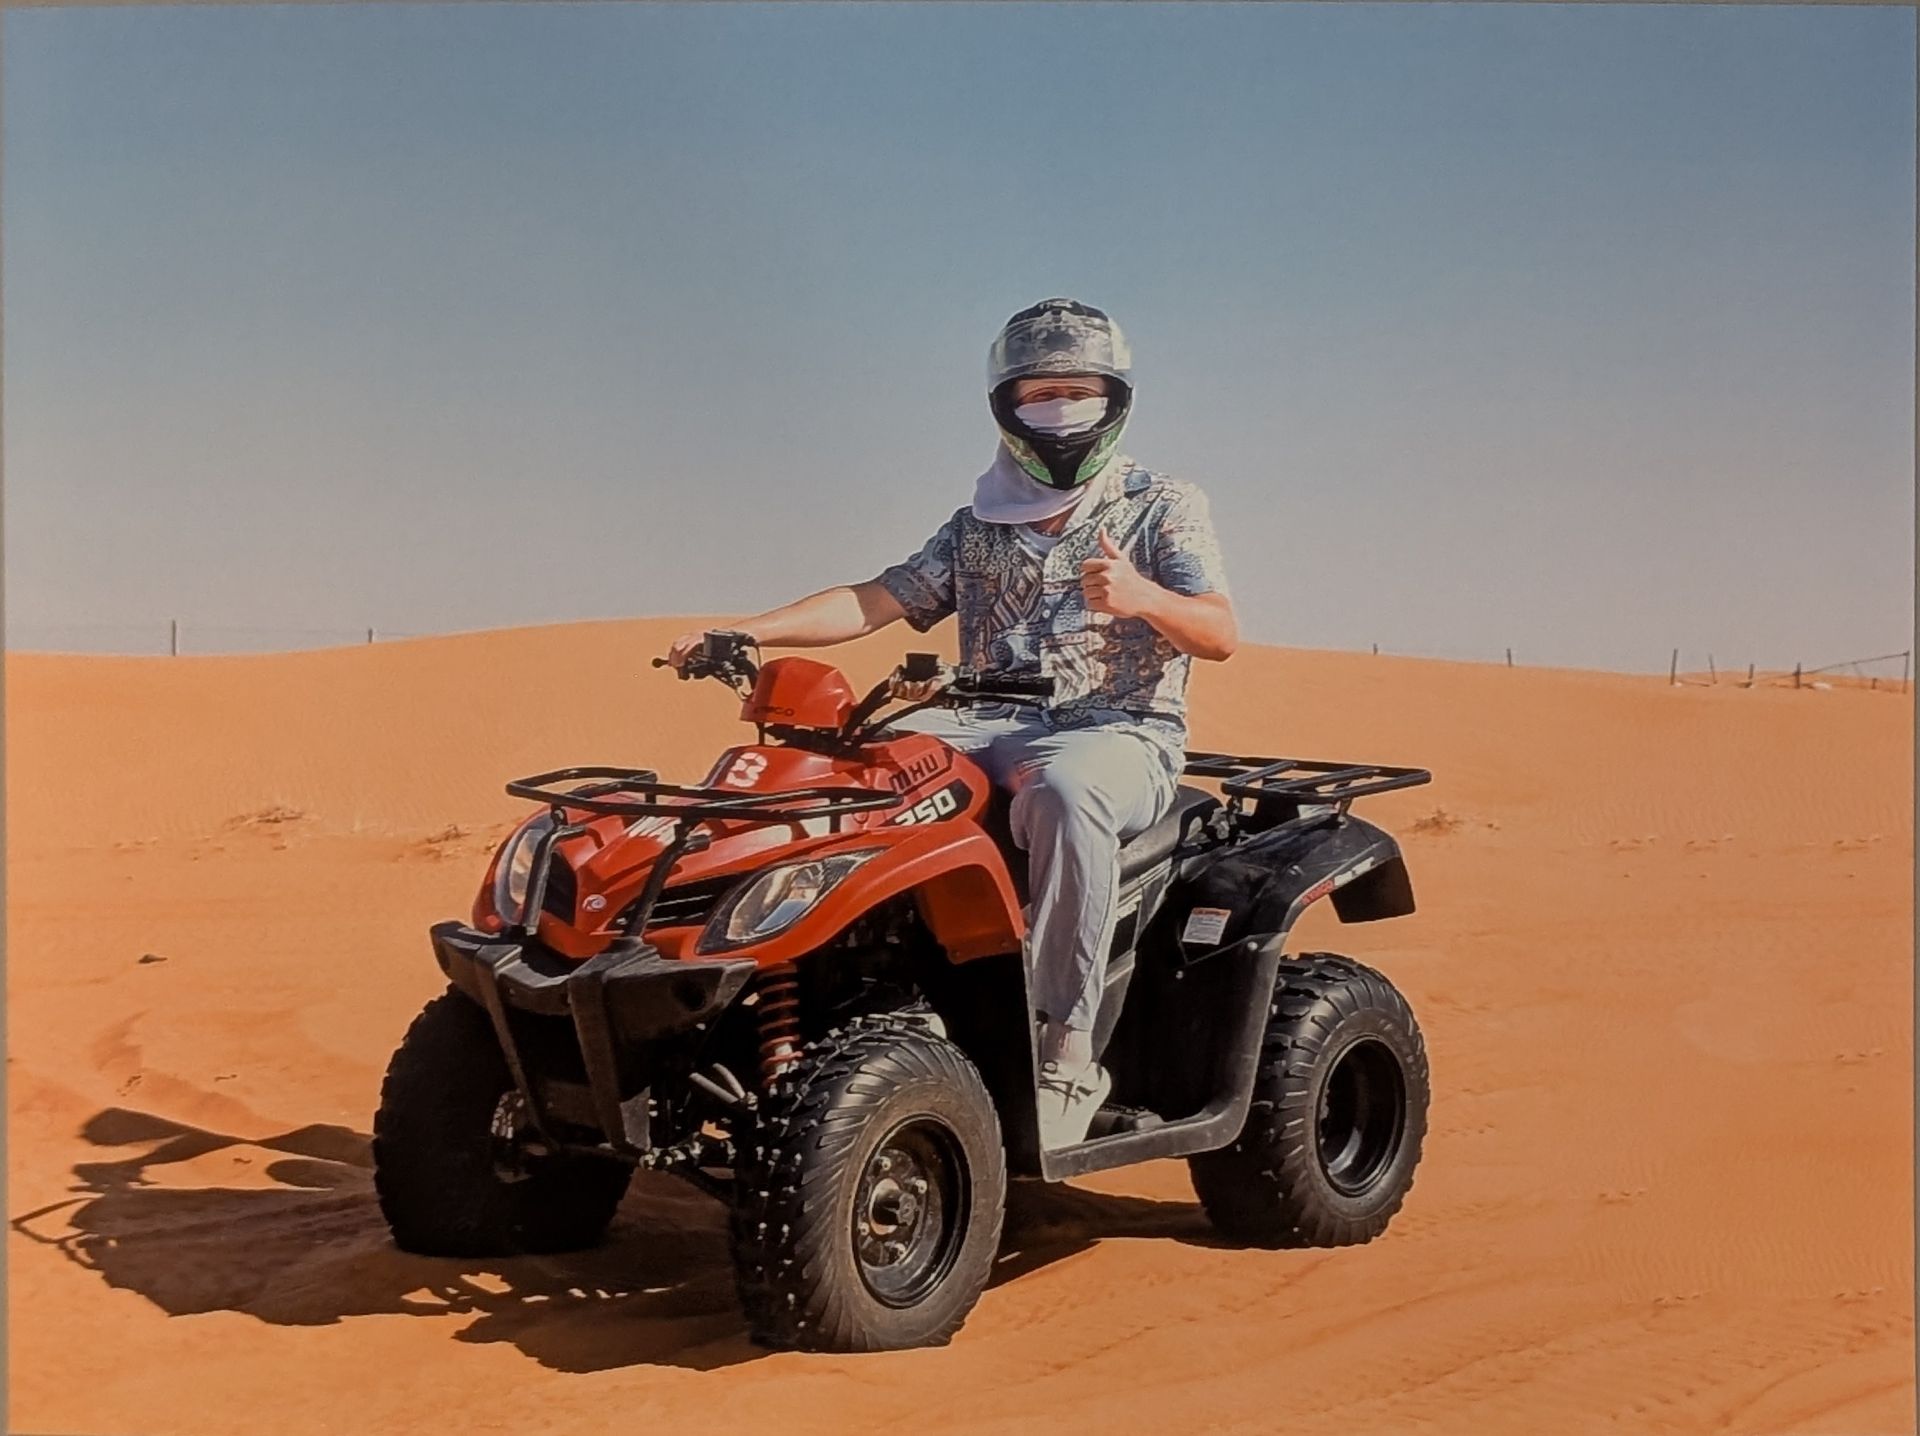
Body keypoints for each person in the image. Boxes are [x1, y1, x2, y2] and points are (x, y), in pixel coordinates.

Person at [667, 296, 1237, 1147]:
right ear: (1006, 406)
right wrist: (748, 628)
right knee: (853, 773)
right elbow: (876, 600)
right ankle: (826, 993)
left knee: (1067, 795)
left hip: (1115, 730)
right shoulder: (978, 524)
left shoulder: (1163, 505)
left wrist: (1142, 596)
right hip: (975, 723)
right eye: (1038, 393)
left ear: (1113, 400)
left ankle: (1066, 1046)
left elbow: (1219, 632)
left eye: (1077, 391)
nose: (1057, 410)